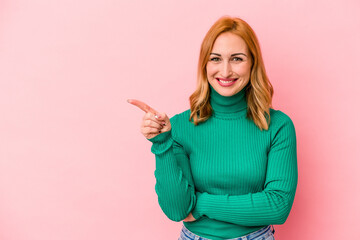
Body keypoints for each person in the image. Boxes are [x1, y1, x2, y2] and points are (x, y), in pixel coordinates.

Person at [128, 16, 298, 240]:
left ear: (253, 63)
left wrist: (199, 203)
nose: (225, 71)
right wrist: (162, 143)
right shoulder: (180, 126)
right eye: (216, 59)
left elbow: (277, 206)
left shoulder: (278, 126)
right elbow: (177, 210)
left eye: (237, 59)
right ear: (205, 65)